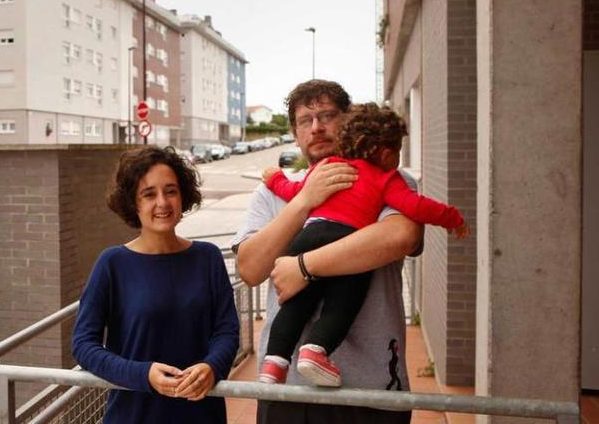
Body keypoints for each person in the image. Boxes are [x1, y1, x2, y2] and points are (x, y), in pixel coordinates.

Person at [232, 79, 424, 423]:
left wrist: (303, 267)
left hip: (371, 388)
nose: (317, 127)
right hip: (287, 389)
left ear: (347, 121)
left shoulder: (386, 178)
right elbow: (249, 268)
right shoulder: (272, 195)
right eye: (306, 120)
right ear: (295, 132)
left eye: (327, 115)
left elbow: (400, 237)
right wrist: (305, 199)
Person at [257, 103, 468, 387]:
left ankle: (274, 363)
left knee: (295, 306)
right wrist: (453, 219)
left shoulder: (327, 167)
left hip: (307, 237)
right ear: (386, 153)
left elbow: (293, 191)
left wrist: (275, 178)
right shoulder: (387, 178)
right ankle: (315, 351)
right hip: (347, 241)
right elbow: (415, 207)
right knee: (342, 305)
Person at [72, 146, 240, 424]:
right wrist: (142, 374)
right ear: (133, 203)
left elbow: (227, 330)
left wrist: (212, 366)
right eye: (149, 194)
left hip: (200, 414)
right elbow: (83, 344)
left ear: (183, 194)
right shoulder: (112, 263)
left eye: (171, 191)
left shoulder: (207, 257)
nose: (162, 202)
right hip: (133, 414)